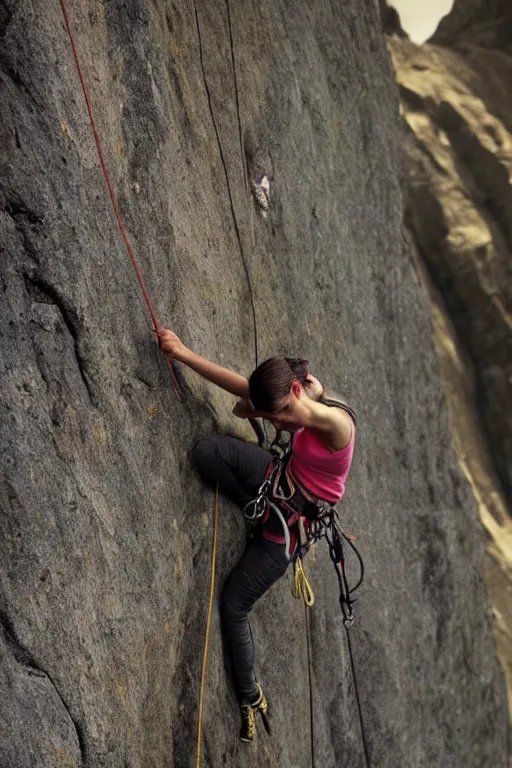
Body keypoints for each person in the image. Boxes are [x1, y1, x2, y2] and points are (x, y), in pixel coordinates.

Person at [157, 328, 356, 742]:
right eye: (275, 415)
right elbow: (244, 398)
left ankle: (250, 695)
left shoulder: (337, 427)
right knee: (206, 452)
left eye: (282, 411)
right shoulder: (303, 399)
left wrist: (288, 407)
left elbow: (319, 417)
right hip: (275, 479)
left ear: (298, 390)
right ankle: (255, 509)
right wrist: (183, 354)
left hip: (291, 529)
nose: (279, 422)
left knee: (233, 605)